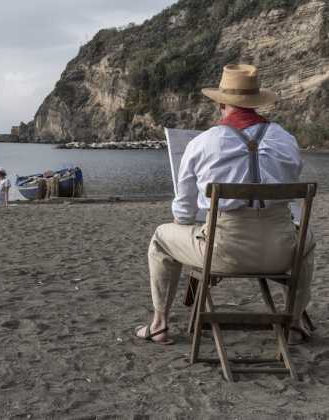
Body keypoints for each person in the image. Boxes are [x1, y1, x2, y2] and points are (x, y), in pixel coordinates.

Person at [134, 64, 315, 345]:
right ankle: (293, 322)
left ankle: (159, 324)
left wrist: (194, 222)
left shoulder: (202, 143)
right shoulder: (286, 140)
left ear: (221, 103)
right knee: (307, 240)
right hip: (281, 253)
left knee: (161, 238)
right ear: (257, 102)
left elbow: (182, 212)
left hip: (223, 254)